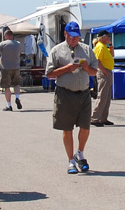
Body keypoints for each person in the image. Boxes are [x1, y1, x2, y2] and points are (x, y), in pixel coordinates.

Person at [45, 21, 95, 174]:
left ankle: (80, 153)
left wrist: (86, 67)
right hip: (65, 94)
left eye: (77, 37)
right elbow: (49, 74)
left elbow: (94, 72)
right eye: (72, 37)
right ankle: (70, 161)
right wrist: (67, 69)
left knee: (85, 127)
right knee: (67, 129)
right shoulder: (56, 51)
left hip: (84, 93)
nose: (74, 40)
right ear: (65, 34)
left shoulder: (87, 49)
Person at [0, 29, 24, 111]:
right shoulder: (18, 44)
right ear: (12, 36)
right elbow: (20, 53)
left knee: (7, 87)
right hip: (16, 67)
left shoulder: (3, 44)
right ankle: (17, 97)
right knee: (16, 84)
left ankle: (9, 105)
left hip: (5, 68)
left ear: (5, 36)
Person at [92, 30, 115, 127]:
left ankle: (103, 118)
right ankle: (95, 118)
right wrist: (105, 71)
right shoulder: (100, 47)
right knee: (102, 95)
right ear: (103, 37)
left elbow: (112, 55)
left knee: (107, 96)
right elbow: (97, 61)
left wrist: (111, 45)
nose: (109, 38)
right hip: (103, 72)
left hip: (107, 71)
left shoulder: (104, 46)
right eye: (108, 36)